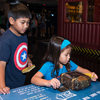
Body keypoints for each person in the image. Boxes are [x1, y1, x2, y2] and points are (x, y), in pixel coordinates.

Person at [31, 36, 98, 89]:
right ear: (56, 54)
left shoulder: (69, 63)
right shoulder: (48, 65)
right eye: (66, 55)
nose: (69, 57)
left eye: (69, 54)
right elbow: (34, 79)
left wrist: (91, 74)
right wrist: (48, 82)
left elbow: (82, 70)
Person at [0, 3, 33, 95]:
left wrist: (28, 60)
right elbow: (1, 64)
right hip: (9, 84)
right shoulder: (5, 40)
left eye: (28, 22)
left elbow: (23, 51)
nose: (26, 26)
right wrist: (2, 86)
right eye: (22, 22)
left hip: (20, 80)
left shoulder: (24, 35)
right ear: (11, 20)